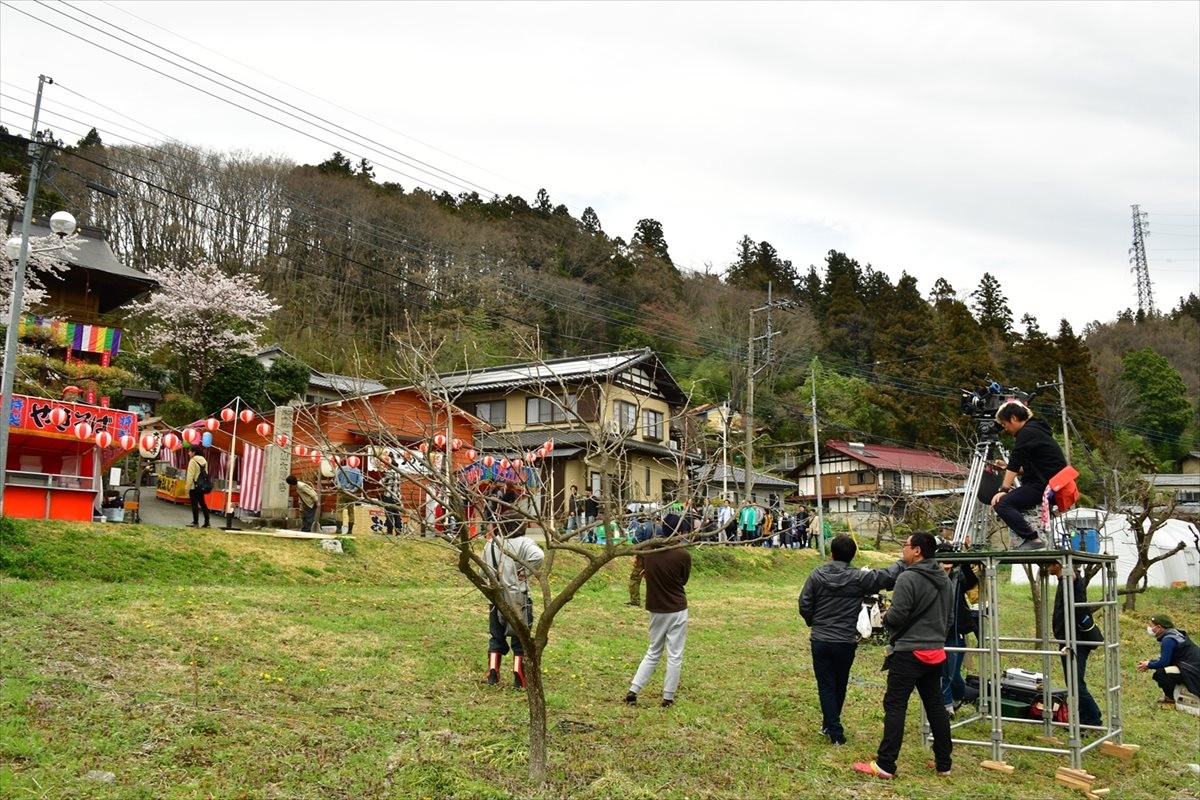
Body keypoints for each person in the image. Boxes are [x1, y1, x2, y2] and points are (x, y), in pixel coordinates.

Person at [855, 531, 953, 780]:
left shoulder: (908, 578)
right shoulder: (945, 579)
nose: (903, 550)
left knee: (895, 705)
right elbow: (949, 619)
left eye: (906, 545)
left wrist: (885, 617)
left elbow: (897, 616)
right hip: (936, 652)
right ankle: (944, 763)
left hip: (909, 652)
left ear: (917, 550)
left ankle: (886, 764)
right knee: (935, 705)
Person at [799, 534, 904, 745]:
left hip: (821, 639)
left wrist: (814, 622)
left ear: (832, 553)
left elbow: (804, 603)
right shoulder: (859, 578)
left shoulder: (817, 575)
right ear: (852, 556)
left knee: (826, 685)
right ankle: (833, 727)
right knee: (840, 683)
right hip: (845, 640)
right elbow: (885, 576)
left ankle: (832, 726)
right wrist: (903, 561)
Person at [625, 510, 692, 708]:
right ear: (679, 531)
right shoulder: (683, 555)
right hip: (677, 608)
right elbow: (684, 580)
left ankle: (634, 690)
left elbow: (645, 569)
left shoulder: (649, 551)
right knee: (675, 654)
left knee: (653, 651)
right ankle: (668, 697)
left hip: (655, 608)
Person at [483, 490, 545, 689]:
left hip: (496, 597)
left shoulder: (491, 544)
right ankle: (519, 676)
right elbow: (539, 556)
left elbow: (482, 570)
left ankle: (493, 671)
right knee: (520, 637)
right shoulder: (525, 543)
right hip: (519, 597)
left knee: (496, 635)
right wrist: (523, 572)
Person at [989, 400, 1067, 551]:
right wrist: (1008, 468)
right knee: (1010, 502)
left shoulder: (1026, 433)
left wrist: (1004, 490)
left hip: (1042, 485)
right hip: (1050, 483)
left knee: (1002, 504)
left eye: (1005, 424)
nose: (1006, 429)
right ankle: (1032, 537)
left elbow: (1015, 461)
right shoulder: (1037, 430)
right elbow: (1033, 465)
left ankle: (1033, 538)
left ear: (1013, 418)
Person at [1046, 562, 1103, 726]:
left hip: (1074, 641)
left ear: (1058, 565)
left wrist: (1072, 572)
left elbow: (1075, 579)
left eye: (1050, 564)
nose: (1047, 567)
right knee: (1073, 683)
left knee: (1076, 684)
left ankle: (1093, 719)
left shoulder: (1072, 581)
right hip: (1068, 640)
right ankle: (1084, 718)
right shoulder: (1063, 582)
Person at [935, 545, 979, 718]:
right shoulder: (930, 578)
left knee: (953, 673)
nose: (946, 565)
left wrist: (965, 562)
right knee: (941, 672)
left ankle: (959, 696)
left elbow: (972, 580)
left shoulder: (959, 578)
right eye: (942, 561)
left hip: (956, 631)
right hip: (935, 631)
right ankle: (946, 706)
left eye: (949, 562)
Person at [1137, 614, 1200, 704]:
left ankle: (1171, 698)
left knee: (1161, 673)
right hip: (1193, 667)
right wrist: (1150, 662)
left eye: (1151, 626)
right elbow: (1169, 659)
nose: (1149, 628)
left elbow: (1164, 662)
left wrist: (1148, 665)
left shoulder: (1168, 640)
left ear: (1159, 627)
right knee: (1166, 670)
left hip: (1193, 672)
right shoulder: (1176, 634)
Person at [334, 461, 364, 535]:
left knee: (339, 510)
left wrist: (339, 486)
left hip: (342, 492)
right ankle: (350, 530)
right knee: (351, 511)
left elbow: (336, 480)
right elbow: (360, 482)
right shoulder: (357, 471)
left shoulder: (341, 469)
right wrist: (354, 490)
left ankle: (339, 529)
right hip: (351, 493)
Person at [186, 452, 211, 528]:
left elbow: (190, 475)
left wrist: (187, 487)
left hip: (194, 486)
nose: (189, 453)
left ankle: (195, 522)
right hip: (201, 486)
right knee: (203, 504)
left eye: (190, 451)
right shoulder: (204, 460)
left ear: (194, 452)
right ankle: (207, 522)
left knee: (194, 504)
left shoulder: (192, 461)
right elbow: (206, 473)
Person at [380, 466, 404, 536]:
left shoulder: (390, 472)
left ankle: (390, 531)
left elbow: (381, 482)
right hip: (397, 497)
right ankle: (398, 531)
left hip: (389, 496)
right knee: (396, 515)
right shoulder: (398, 473)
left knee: (389, 514)